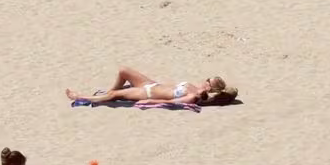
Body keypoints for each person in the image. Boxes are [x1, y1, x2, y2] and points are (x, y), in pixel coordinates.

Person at [67, 68, 239, 106]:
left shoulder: (194, 96)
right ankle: (109, 93)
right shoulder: (193, 87)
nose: (205, 80)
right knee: (123, 71)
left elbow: (173, 102)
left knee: (114, 94)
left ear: (210, 87)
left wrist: (149, 102)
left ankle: (82, 97)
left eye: (208, 80)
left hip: (145, 92)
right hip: (150, 84)